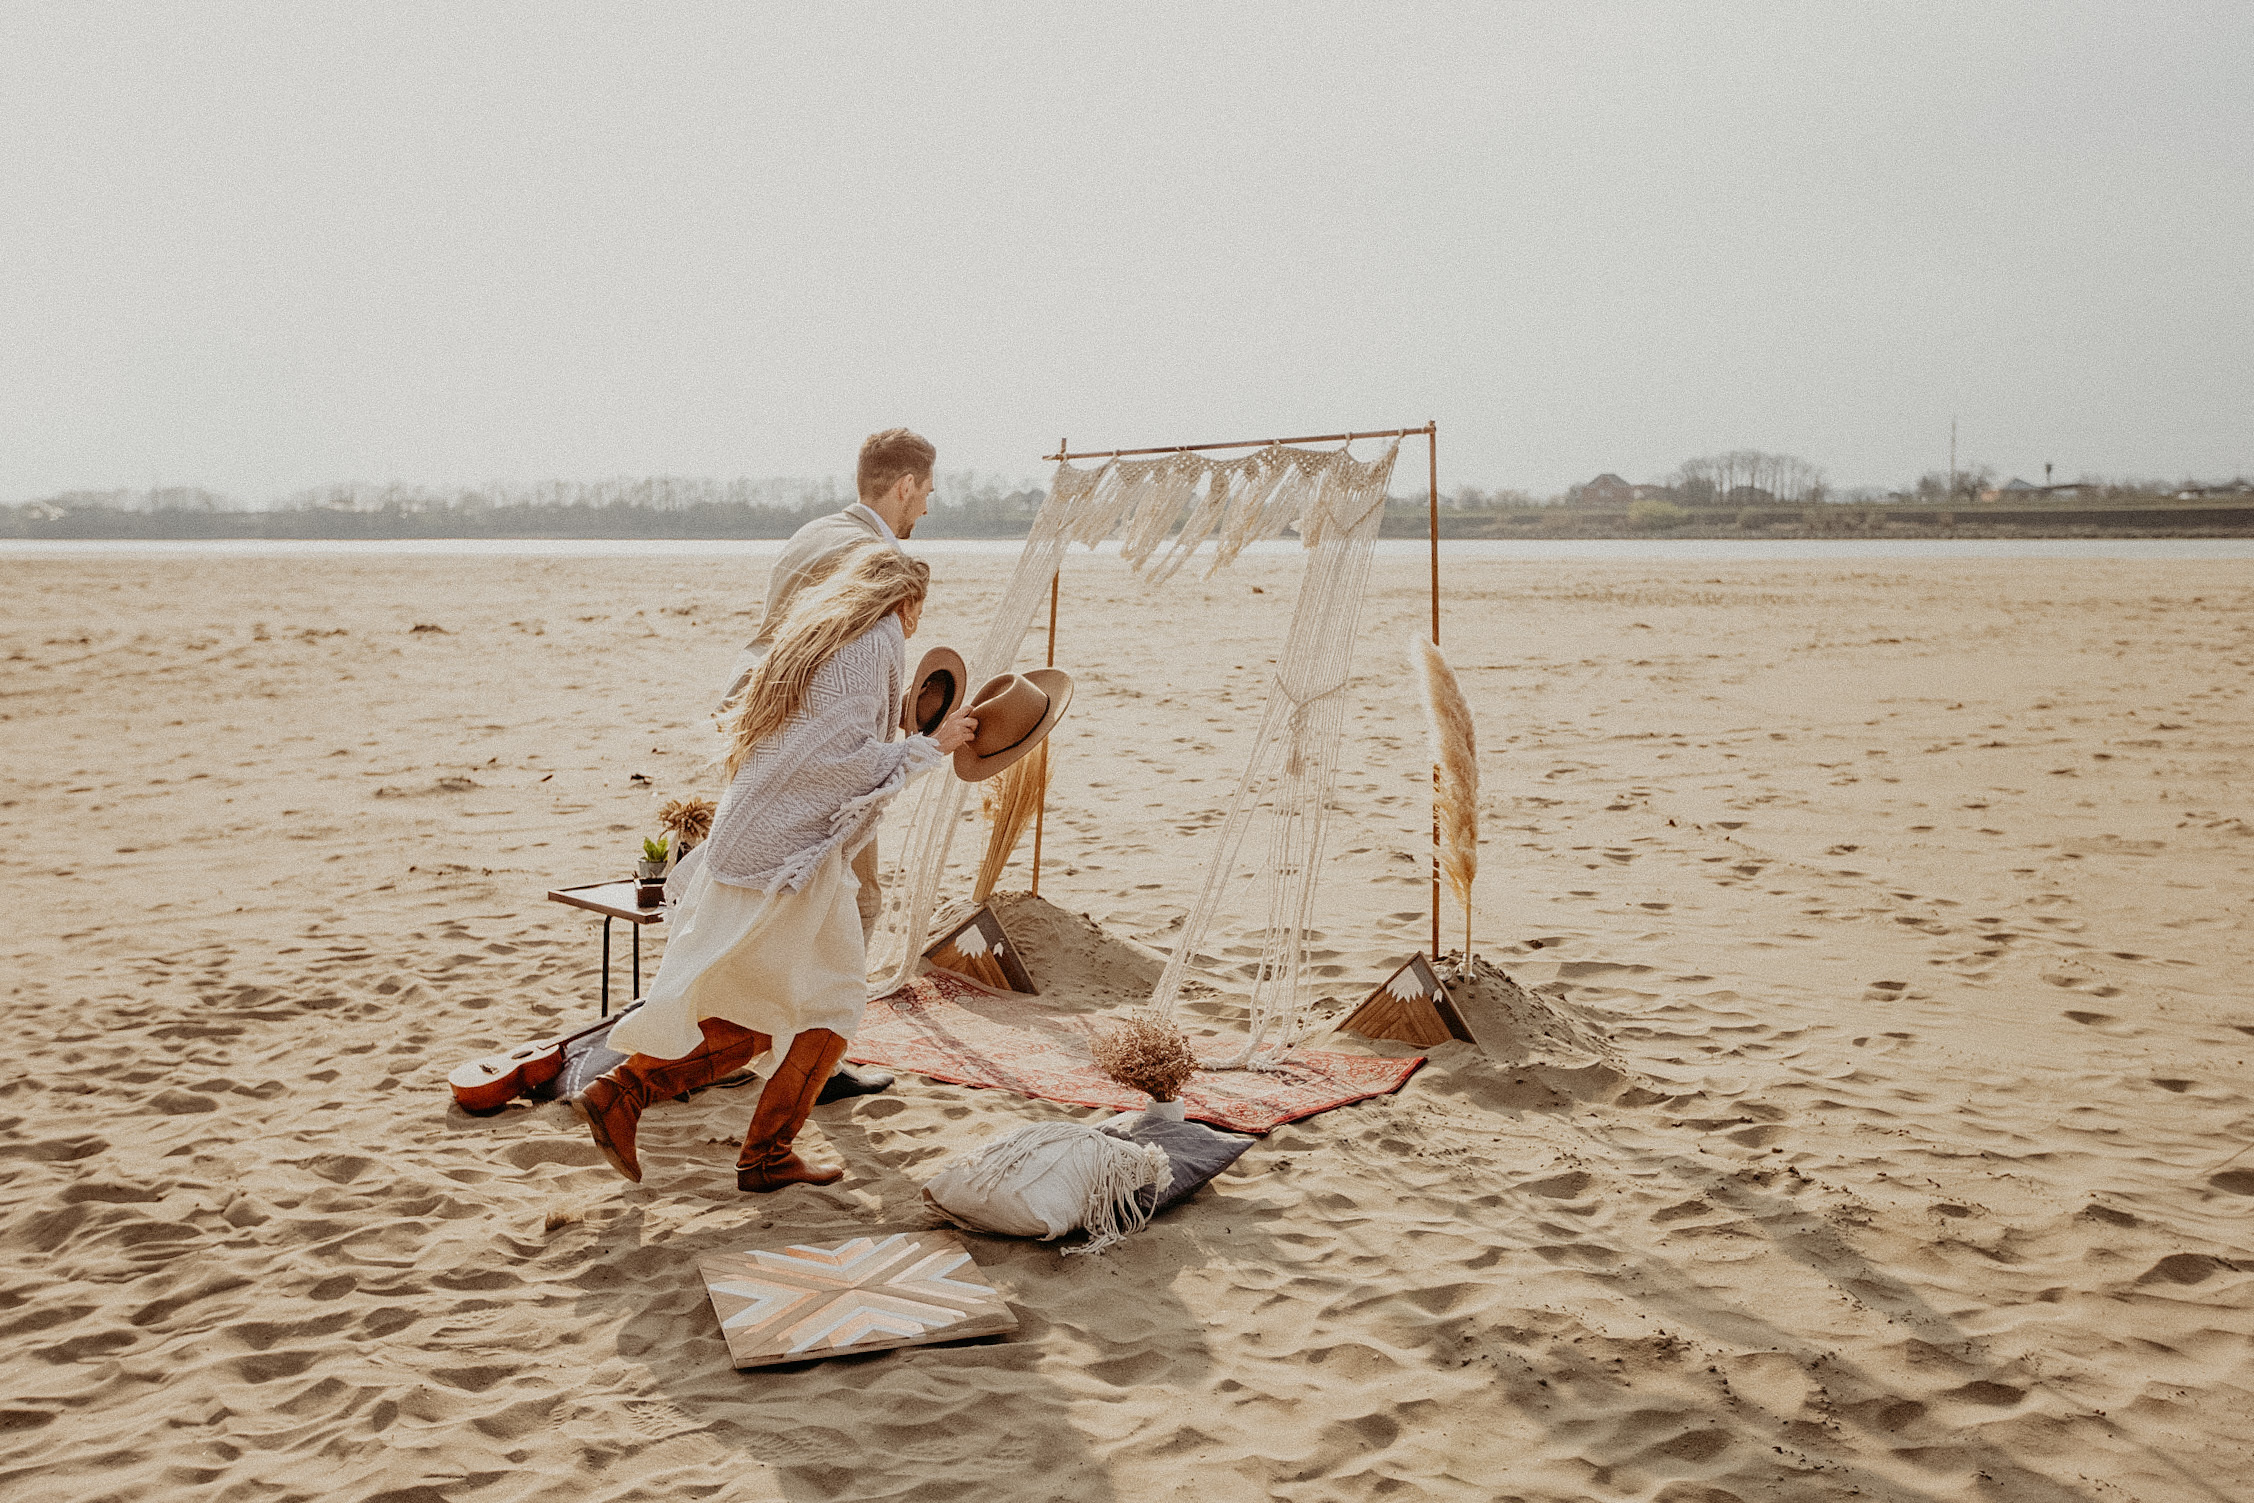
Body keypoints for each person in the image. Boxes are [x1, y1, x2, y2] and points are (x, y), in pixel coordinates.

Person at [574, 545, 976, 1191]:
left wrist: (902, 730)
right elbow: (835, 761)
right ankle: (667, 1108)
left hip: (757, 841)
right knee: (828, 1004)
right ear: (905, 600)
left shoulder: (817, 636)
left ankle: (668, 1110)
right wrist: (928, 746)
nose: (917, 624)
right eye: (918, 610)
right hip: (791, 856)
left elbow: (810, 739)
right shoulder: (876, 640)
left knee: (777, 1007)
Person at [719, 428, 938, 1102]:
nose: (927, 507)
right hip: (813, 753)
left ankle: (739, 1036)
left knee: (766, 900)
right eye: (926, 491)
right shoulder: (874, 557)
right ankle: (818, 1057)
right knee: (851, 899)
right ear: (904, 486)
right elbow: (854, 675)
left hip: (753, 729)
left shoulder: (809, 534)